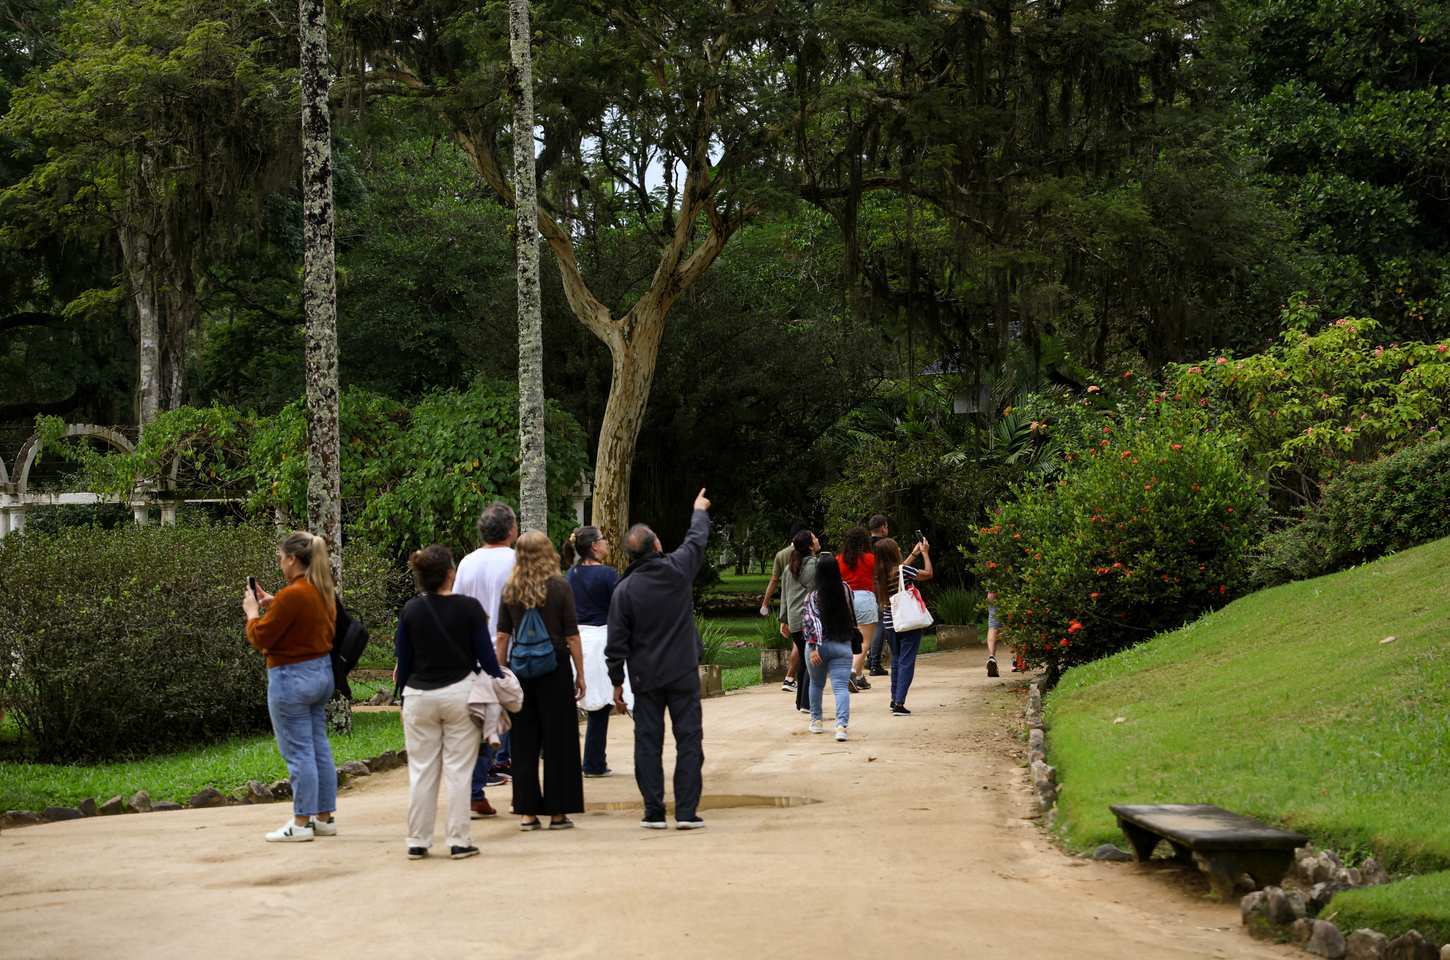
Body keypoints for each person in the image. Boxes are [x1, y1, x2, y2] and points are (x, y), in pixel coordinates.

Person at [606, 489, 712, 830]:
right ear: (656, 546)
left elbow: (616, 643)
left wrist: (616, 682)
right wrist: (698, 510)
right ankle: (685, 811)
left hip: (644, 678)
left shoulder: (624, 591)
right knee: (689, 740)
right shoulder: (678, 571)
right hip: (682, 672)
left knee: (648, 743)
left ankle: (653, 811)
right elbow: (696, 540)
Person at [395, 545, 504, 861]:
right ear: (449, 574)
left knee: (422, 770)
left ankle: (417, 840)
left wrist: (403, 700)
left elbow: (404, 660)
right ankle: (458, 840)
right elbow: (486, 656)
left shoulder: (411, 610)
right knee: (458, 770)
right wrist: (501, 680)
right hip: (460, 693)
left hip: (418, 695)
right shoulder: (469, 608)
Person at [243, 531, 338, 843]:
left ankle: (300, 822)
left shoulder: (293, 595)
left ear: (293, 559)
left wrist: (253, 613)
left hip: (291, 678)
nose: (280, 564)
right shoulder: (321, 589)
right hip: (321, 673)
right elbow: (305, 621)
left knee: (298, 752)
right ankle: (323, 817)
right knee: (318, 746)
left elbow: (262, 637)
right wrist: (275, 602)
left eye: (281, 559)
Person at [496, 531, 586, 831]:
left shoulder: (510, 589)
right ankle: (558, 811)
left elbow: (502, 636)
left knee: (523, 740)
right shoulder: (560, 587)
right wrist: (580, 674)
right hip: (555, 666)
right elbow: (572, 635)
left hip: (521, 669)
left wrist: (502, 672)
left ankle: (527, 810)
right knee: (559, 739)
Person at [453, 502, 517, 818]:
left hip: (472, 651)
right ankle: (481, 786)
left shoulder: (466, 563)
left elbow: (456, 604)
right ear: (511, 530)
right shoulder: (517, 560)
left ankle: (477, 788)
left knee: (481, 721)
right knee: (505, 720)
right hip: (511, 648)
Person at [562, 525, 630, 777]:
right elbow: (621, 607)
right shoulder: (609, 575)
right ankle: (593, 762)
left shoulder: (571, 574)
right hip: (601, 639)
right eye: (603, 540)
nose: (607, 543)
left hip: (576, 641)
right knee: (601, 705)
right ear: (594, 546)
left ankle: (576, 760)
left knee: (581, 700)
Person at [874, 536, 933, 716]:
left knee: (897, 660)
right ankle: (900, 703)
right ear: (893, 552)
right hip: (908, 623)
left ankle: (894, 699)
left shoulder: (878, 575)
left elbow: (900, 569)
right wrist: (925, 554)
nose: (899, 548)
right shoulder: (902, 571)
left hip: (890, 624)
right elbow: (928, 573)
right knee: (907, 662)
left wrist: (913, 554)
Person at [801, 556, 856, 741]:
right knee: (840, 688)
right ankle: (841, 726)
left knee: (816, 684)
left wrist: (814, 647)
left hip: (819, 647)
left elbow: (810, 622)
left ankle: (816, 721)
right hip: (842, 644)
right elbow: (851, 613)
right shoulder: (846, 589)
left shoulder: (812, 595)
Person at [776, 530, 820, 714]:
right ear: (810, 545)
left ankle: (800, 701)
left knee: (803, 659)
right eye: (815, 538)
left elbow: (784, 596)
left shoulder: (788, 568)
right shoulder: (815, 566)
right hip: (808, 620)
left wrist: (783, 620)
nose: (818, 540)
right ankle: (806, 703)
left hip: (794, 621)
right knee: (810, 661)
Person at [762, 524, 805, 693]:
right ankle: (789, 677)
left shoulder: (781, 555)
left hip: (787, 601)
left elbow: (774, 581)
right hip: (802, 602)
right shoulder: (806, 552)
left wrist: (765, 602)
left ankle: (794, 677)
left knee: (797, 640)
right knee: (800, 642)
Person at [836, 526, 877, 692]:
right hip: (865, 598)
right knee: (865, 642)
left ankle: (859, 677)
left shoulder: (839, 559)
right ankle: (852, 673)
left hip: (845, 599)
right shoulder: (870, 558)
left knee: (851, 639)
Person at [865, 514, 891, 676]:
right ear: (882, 527)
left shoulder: (863, 545)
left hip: (864, 587)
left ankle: (868, 659)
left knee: (869, 625)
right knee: (880, 624)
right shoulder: (884, 546)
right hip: (879, 587)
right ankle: (874, 662)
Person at [985, 590, 1003, 677]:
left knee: (993, 627)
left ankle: (992, 657)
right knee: (1012, 626)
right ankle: (1018, 661)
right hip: (1008, 590)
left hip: (992, 592)